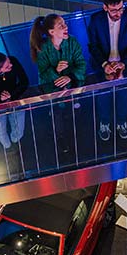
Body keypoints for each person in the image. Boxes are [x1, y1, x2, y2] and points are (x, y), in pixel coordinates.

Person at [87, 0, 127, 142]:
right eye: (114, 10)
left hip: (125, 63)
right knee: (103, 96)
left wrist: (123, 63)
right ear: (105, 8)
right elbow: (93, 46)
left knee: (123, 95)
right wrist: (104, 64)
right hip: (102, 64)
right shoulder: (96, 20)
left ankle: (121, 122)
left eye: (120, 8)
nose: (118, 13)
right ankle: (104, 123)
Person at [30, 14, 86, 152]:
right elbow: (42, 76)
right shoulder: (43, 49)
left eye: (65, 24)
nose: (66, 27)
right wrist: (56, 70)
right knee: (57, 115)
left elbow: (82, 65)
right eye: (61, 26)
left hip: (72, 88)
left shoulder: (72, 42)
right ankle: (60, 138)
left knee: (74, 113)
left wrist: (70, 77)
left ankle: (76, 136)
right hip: (53, 92)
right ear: (51, 32)